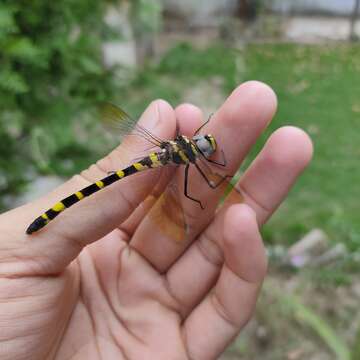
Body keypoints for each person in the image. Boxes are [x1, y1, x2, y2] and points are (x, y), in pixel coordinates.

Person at [0, 81, 313, 359]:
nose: (205, 144)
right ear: (197, 145)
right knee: (180, 194)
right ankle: (53, 214)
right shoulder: (194, 163)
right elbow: (195, 193)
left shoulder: (177, 145)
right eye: (204, 142)